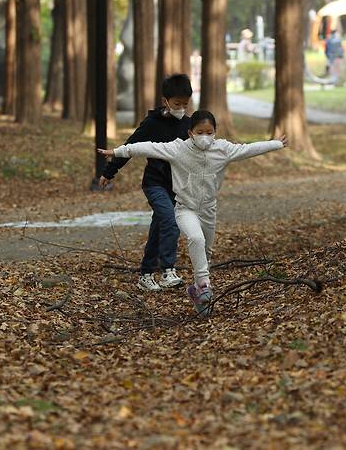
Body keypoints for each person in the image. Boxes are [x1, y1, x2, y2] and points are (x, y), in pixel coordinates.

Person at [98, 111, 288, 315]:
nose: (205, 137)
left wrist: (275, 144)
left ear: (215, 132)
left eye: (209, 132)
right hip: (185, 208)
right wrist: (117, 152)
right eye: (200, 132)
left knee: (205, 253)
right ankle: (205, 285)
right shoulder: (178, 149)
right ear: (190, 132)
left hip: (208, 209)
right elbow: (147, 147)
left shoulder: (222, 149)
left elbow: (249, 149)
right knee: (195, 239)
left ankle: (197, 291)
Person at [99, 74, 192, 292]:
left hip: (177, 186)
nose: (181, 108)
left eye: (185, 104)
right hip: (155, 183)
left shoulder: (189, 124)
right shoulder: (152, 123)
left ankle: (146, 274)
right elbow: (130, 147)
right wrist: (108, 172)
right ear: (165, 101)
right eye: (177, 104)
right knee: (170, 220)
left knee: (159, 226)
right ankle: (168, 270)